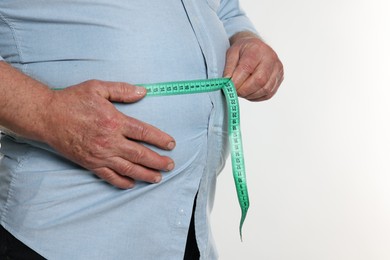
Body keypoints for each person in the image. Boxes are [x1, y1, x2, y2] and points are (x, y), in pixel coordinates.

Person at [0, 0, 283, 259]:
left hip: (188, 229)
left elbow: (224, 9)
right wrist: (46, 111)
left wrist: (247, 38)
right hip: (61, 235)